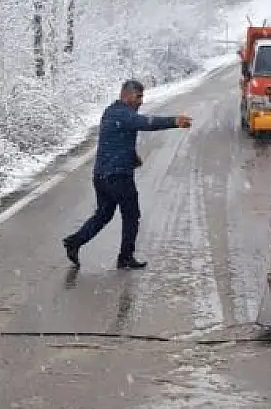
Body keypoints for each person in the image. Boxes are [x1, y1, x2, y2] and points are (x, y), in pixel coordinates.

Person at [63, 80, 193, 270]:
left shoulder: (112, 112)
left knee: (103, 214)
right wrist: (174, 121)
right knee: (131, 215)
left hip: (102, 175)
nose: (141, 101)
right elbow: (145, 123)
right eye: (138, 96)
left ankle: (74, 242)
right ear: (126, 95)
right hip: (118, 177)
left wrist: (132, 157)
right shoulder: (123, 113)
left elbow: (119, 137)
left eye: (142, 96)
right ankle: (125, 258)